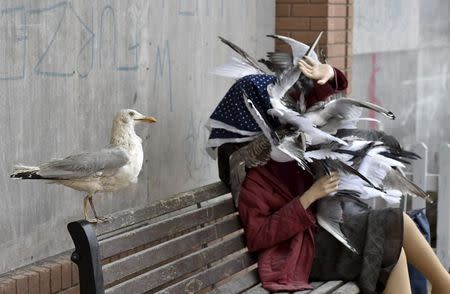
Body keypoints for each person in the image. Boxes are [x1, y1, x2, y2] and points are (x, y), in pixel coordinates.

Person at [208, 56, 450, 293]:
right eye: (277, 112)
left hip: (321, 234)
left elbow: (316, 106)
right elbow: (257, 236)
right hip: (302, 253)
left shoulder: (290, 143)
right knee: (396, 230)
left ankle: (444, 284)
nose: (287, 114)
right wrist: (308, 198)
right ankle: (444, 284)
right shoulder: (253, 178)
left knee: (393, 249)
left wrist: (330, 75)